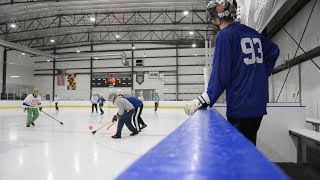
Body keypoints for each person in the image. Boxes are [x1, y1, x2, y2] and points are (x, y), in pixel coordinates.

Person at [184, 0, 280, 146]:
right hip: (258, 105)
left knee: (239, 152)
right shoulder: (251, 32)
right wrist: (262, 74)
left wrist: (204, 99)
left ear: (216, 19)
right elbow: (274, 51)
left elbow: (221, 74)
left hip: (241, 105)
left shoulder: (226, 35)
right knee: (249, 147)